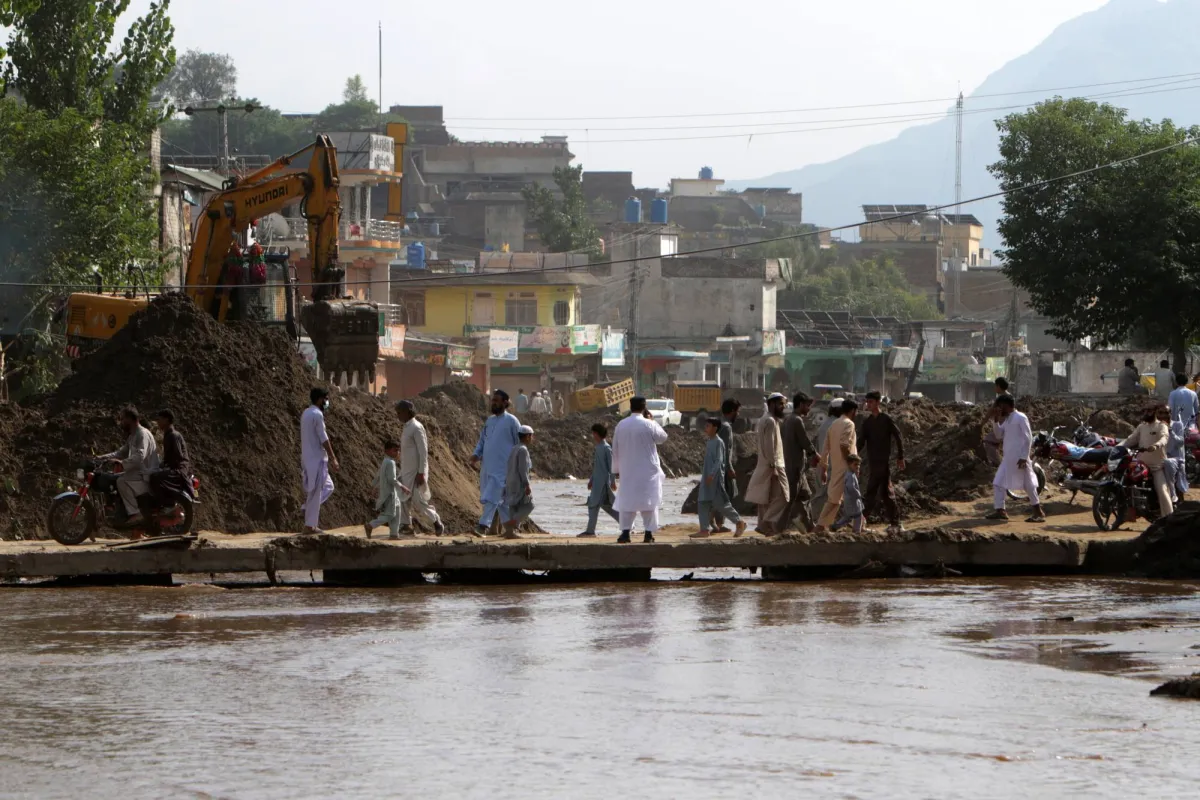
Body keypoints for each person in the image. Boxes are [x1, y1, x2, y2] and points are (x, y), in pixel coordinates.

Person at [612, 397, 669, 543]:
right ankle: (648, 534)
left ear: (630, 407)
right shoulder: (649, 424)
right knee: (649, 502)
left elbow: (615, 448)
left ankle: (625, 533)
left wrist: (616, 469)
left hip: (628, 470)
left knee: (627, 503)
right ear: (644, 407)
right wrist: (652, 420)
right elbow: (663, 438)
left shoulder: (621, 425)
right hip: (647, 471)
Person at [985, 395, 1045, 523]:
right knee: (998, 483)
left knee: (1028, 485)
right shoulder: (1007, 420)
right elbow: (998, 435)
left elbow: (1028, 438)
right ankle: (1000, 511)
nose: (1000, 409)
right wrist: (995, 419)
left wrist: (1024, 457)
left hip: (1019, 459)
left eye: (1001, 406)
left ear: (1007, 405)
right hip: (1008, 459)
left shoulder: (1020, 417)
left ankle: (1038, 512)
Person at [471, 390, 522, 536]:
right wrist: (476, 454)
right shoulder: (489, 421)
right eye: (493, 400)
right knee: (501, 502)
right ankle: (512, 530)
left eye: (497, 400)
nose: (493, 403)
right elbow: (482, 441)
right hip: (487, 467)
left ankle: (482, 526)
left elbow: (519, 445)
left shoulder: (512, 421)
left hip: (504, 468)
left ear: (505, 403)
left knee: (493, 497)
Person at [99, 406, 160, 524]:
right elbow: (121, 452)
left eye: (122, 419)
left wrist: (122, 463)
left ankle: (135, 513)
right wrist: (102, 457)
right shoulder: (133, 435)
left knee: (121, 481)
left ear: (130, 419)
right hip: (137, 473)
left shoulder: (142, 434)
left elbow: (140, 456)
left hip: (145, 475)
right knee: (112, 477)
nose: (121, 423)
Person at [857, 391, 906, 534]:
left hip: (883, 462)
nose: (868, 404)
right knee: (885, 493)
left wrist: (900, 456)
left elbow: (898, 436)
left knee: (873, 492)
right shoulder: (867, 423)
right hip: (873, 462)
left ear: (878, 402)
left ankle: (862, 522)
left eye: (871, 402)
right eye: (867, 402)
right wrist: (852, 455)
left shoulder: (886, 419)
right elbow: (861, 442)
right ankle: (895, 523)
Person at [396, 400, 445, 535]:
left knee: (419, 500)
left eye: (400, 412)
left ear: (407, 412)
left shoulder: (417, 427)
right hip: (406, 471)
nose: (398, 415)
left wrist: (421, 473)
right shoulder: (406, 427)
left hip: (417, 472)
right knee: (402, 498)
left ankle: (436, 521)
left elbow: (423, 452)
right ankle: (407, 525)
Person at [692, 417, 746, 538]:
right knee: (702, 502)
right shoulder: (710, 441)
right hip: (708, 478)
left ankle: (739, 522)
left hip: (715, 479)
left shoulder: (718, 442)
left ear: (715, 428)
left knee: (721, 504)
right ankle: (704, 530)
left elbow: (719, 460)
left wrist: (712, 474)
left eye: (708, 426)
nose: (705, 428)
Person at [745, 393, 790, 535]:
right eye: (780, 404)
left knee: (766, 497)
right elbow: (770, 445)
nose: (783, 407)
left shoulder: (766, 419)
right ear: (771, 404)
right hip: (774, 464)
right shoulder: (770, 421)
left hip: (766, 464)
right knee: (784, 496)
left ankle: (763, 527)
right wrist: (774, 466)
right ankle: (766, 522)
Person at [1122, 405, 1173, 519]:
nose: (1145, 413)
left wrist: (1156, 446)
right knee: (1125, 482)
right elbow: (1130, 440)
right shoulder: (1141, 427)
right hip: (1140, 465)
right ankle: (1127, 514)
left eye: (1148, 411)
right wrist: (1116, 447)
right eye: (1144, 411)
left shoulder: (1161, 426)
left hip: (1156, 467)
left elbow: (1164, 438)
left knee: (1162, 491)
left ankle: (1169, 519)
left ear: (1154, 412)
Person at [300, 387, 339, 535]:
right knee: (316, 491)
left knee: (328, 486)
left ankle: (306, 508)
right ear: (320, 399)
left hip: (308, 458)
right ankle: (310, 526)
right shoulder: (317, 415)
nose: (327, 402)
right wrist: (334, 458)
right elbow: (324, 438)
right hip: (316, 460)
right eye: (326, 399)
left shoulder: (306, 413)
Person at [143, 409, 191, 529]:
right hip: (174, 468)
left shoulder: (173, 435)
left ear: (167, 420)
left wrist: (164, 466)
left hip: (178, 470)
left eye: (159, 419)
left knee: (155, 477)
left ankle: (167, 505)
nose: (158, 422)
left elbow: (177, 457)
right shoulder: (168, 434)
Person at [817, 398, 859, 531]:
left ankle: (857, 525)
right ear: (853, 411)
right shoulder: (849, 424)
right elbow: (844, 444)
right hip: (846, 467)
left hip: (835, 467)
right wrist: (851, 463)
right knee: (847, 498)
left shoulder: (834, 424)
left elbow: (825, 448)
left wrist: (823, 467)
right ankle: (821, 526)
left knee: (839, 498)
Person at [779, 392, 817, 533]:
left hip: (795, 466)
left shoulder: (787, 420)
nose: (808, 409)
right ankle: (778, 528)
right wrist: (814, 454)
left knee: (805, 495)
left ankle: (808, 526)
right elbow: (805, 441)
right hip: (795, 468)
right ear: (800, 405)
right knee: (790, 501)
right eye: (807, 406)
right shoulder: (797, 421)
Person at [579, 423, 619, 538]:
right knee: (607, 506)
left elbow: (611, 466)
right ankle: (628, 525)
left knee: (593, 505)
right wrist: (591, 479)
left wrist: (613, 481)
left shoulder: (606, 448)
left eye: (593, 433)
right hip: (598, 482)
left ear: (596, 434)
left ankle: (590, 531)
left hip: (602, 483)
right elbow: (596, 467)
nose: (592, 435)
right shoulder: (598, 448)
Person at [365, 439, 407, 540]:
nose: (397, 453)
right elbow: (392, 480)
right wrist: (402, 486)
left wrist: (372, 486)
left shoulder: (385, 461)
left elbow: (378, 475)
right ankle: (370, 525)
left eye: (398, 450)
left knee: (397, 513)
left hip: (392, 493)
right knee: (389, 515)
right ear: (387, 451)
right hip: (390, 493)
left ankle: (394, 534)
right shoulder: (390, 463)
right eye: (395, 450)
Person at [709, 398, 741, 533]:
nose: (738, 415)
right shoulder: (726, 427)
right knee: (725, 495)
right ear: (733, 411)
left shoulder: (718, 424)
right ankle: (718, 523)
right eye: (737, 412)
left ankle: (714, 521)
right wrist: (729, 469)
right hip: (722, 467)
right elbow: (725, 450)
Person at [503, 425, 536, 539]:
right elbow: (523, 469)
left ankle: (510, 532)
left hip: (510, 481)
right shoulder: (523, 450)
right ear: (527, 436)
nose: (532, 438)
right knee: (530, 505)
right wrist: (526, 484)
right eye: (531, 436)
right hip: (519, 482)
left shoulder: (514, 448)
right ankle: (513, 522)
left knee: (514, 506)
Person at [830, 455, 866, 533]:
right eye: (855, 464)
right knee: (858, 515)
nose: (858, 466)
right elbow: (851, 487)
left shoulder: (850, 474)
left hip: (848, 501)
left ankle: (836, 526)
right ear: (849, 464)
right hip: (853, 501)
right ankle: (856, 531)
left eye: (859, 464)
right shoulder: (850, 476)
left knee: (847, 517)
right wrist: (858, 495)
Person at [1164, 416, 1189, 504]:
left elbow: (1180, 442)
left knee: (1178, 484)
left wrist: (1171, 431)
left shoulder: (1177, 425)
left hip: (1177, 459)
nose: (1163, 415)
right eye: (1160, 413)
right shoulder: (1156, 426)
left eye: (1166, 413)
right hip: (1162, 457)